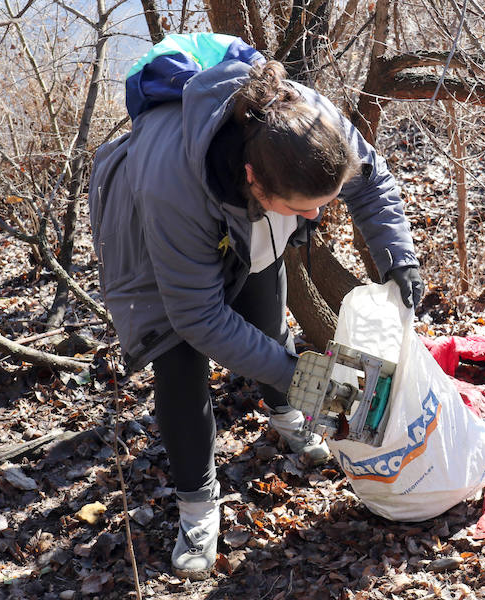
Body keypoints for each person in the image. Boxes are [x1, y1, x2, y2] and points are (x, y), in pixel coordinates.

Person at [87, 33, 423, 580]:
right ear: (254, 182)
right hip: (155, 245)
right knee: (180, 367)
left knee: (265, 320)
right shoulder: (171, 184)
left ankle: (288, 416)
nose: (315, 220)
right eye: (306, 209)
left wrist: (396, 254)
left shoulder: (306, 121)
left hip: (247, 221)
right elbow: (198, 316)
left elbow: (371, 180)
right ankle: (197, 507)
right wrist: (312, 379)